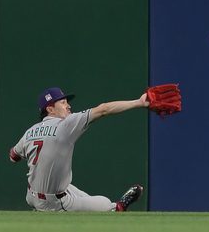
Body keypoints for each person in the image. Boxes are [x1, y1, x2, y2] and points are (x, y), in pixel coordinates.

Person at [9, 87, 149, 211]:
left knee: (71, 189)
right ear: (50, 109)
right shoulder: (65, 125)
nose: (68, 106)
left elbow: (13, 156)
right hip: (54, 202)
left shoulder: (29, 132)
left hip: (31, 195)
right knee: (104, 203)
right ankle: (116, 208)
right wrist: (138, 102)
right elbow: (104, 109)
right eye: (63, 103)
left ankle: (41, 206)